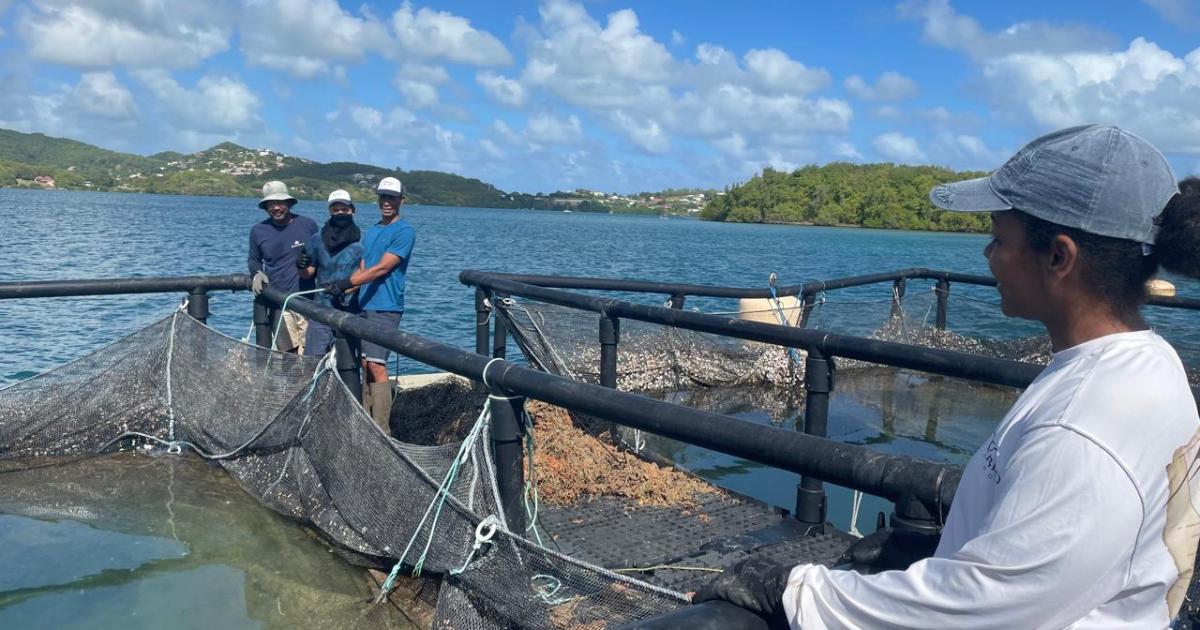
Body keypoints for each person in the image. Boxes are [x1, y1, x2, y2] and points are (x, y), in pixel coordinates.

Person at [695, 125, 1200, 629]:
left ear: (1057, 257)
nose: (987, 254)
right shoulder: (1149, 364)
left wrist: (795, 590)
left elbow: (986, 606)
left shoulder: (1084, 423)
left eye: (999, 237)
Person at [323, 176, 415, 432]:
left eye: (392, 198)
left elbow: (382, 269)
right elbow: (365, 268)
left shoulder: (404, 231)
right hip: (364, 303)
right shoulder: (373, 230)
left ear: (401, 201)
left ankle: (382, 428)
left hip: (386, 306)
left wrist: (344, 282)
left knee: (377, 364)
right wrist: (347, 288)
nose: (387, 202)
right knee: (365, 362)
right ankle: (365, 419)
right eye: (383, 197)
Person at [248, 180, 318, 353]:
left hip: (307, 300)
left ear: (289, 203)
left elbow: (320, 255)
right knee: (287, 353)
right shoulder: (258, 230)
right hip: (279, 302)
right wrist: (256, 273)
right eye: (271, 204)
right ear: (266, 207)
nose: (276, 208)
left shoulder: (308, 225)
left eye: (280, 203)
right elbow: (253, 259)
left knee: (312, 352)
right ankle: (295, 380)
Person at [298, 189, 363, 358]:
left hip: (351, 312)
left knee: (348, 363)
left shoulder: (363, 241)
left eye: (345, 210)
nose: (340, 213)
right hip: (321, 311)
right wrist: (300, 265)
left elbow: (367, 275)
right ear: (329, 211)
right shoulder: (316, 239)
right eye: (336, 210)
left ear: (352, 211)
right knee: (312, 360)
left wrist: (347, 289)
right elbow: (308, 273)